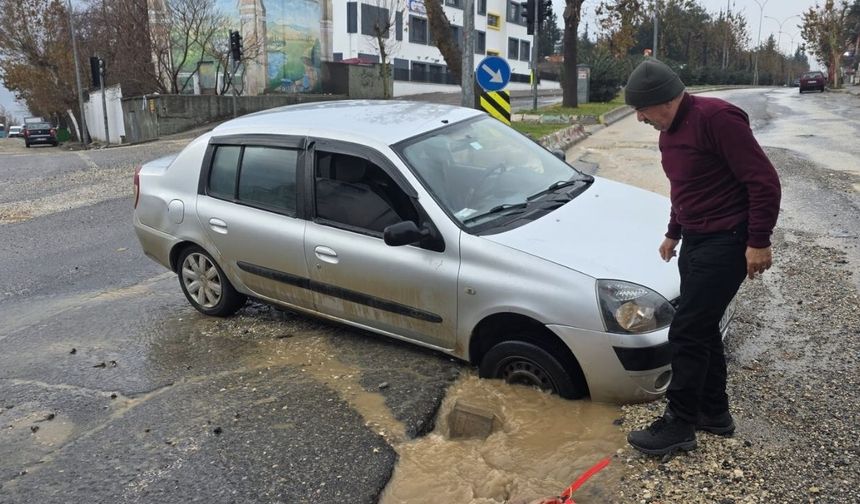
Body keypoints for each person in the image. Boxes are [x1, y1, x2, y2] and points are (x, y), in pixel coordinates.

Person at [623, 59, 782, 456]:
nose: (639, 118)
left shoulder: (718, 119)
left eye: (642, 109)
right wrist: (673, 232)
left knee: (687, 332)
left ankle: (679, 424)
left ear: (665, 99)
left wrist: (759, 241)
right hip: (695, 240)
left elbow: (764, 182)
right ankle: (714, 414)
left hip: (728, 241)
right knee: (703, 327)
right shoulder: (668, 132)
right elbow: (685, 188)